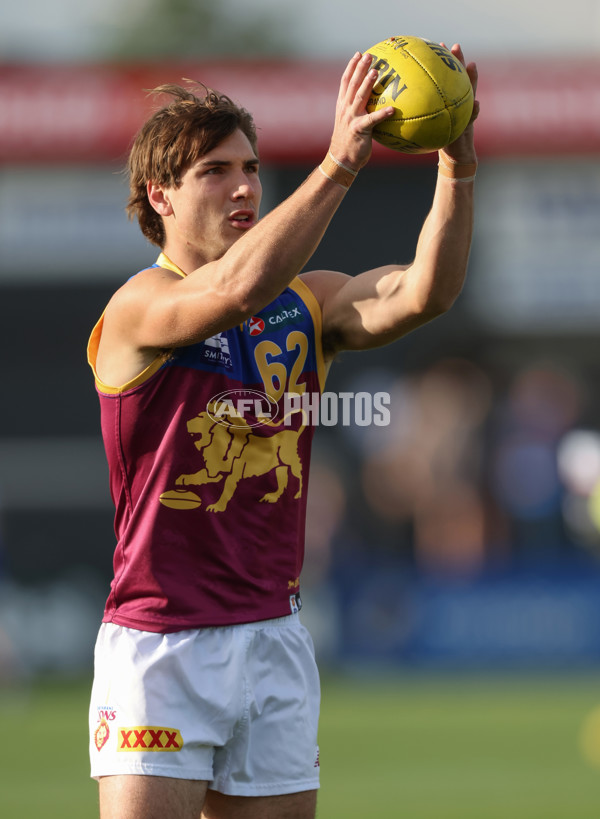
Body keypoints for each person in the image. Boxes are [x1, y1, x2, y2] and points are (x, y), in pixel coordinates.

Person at [87, 45, 479, 819]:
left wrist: (456, 163)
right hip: (161, 642)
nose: (244, 186)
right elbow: (232, 291)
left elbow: (422, 292)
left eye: (251, 168)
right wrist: (338, 164)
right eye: (215, 171)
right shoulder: (137, 307)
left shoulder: (303, 303)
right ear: (158, 195)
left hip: (274, 638)